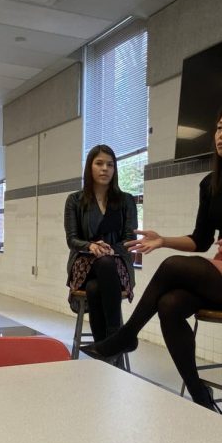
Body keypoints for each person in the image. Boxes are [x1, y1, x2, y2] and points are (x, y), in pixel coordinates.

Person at [84, 102, 222, 410]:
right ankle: (201, 398)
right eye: (219, 127)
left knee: (172, 268)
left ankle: (125, 335)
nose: (221, 134)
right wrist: (163, 240)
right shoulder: (211, 183)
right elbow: (201, 240)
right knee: (170, 303)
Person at [65, 144, 138, 344]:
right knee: (101, 265)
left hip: (116, 264)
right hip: (84, 262)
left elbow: (130, 240)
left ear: (115, 170)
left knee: (96, 286)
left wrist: (110, 249)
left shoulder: (126, 200)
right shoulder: (74, 200)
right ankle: (117, 337)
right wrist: (90, 246)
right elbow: (71, 239)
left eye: (110, 165)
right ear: (90, 167)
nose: (105, 168)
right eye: (99, 163)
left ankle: (104, 347)